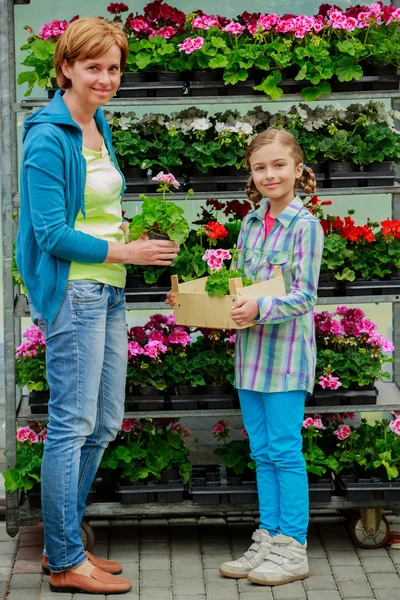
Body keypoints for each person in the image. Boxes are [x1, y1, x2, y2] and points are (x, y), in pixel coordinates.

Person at [16, 17, 179, 596]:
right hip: (77, 292)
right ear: (66, 68)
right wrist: (128, 249)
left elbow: (100, 212)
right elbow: (51, 232)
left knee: (104, 422)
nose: (107, 78)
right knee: (71, 425)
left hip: (108, 290)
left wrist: (144, 243)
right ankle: (63, 561)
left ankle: (67, 544)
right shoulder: (47, 137)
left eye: (114, 68)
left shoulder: (94, 123)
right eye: (94, 68)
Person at [167, 128, 323, 587]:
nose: (269, 174)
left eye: (278, 165)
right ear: (251, 176)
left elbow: (305, 297)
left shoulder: (306, 226)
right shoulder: (252, 222)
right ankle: (269, 538)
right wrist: (196, 300)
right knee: (262, 451)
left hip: (286, 358)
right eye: (260, 167)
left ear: (298, 169)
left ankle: (293, 546)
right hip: (251, 357)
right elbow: (238, 284)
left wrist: (260, 308)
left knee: (285, 451)